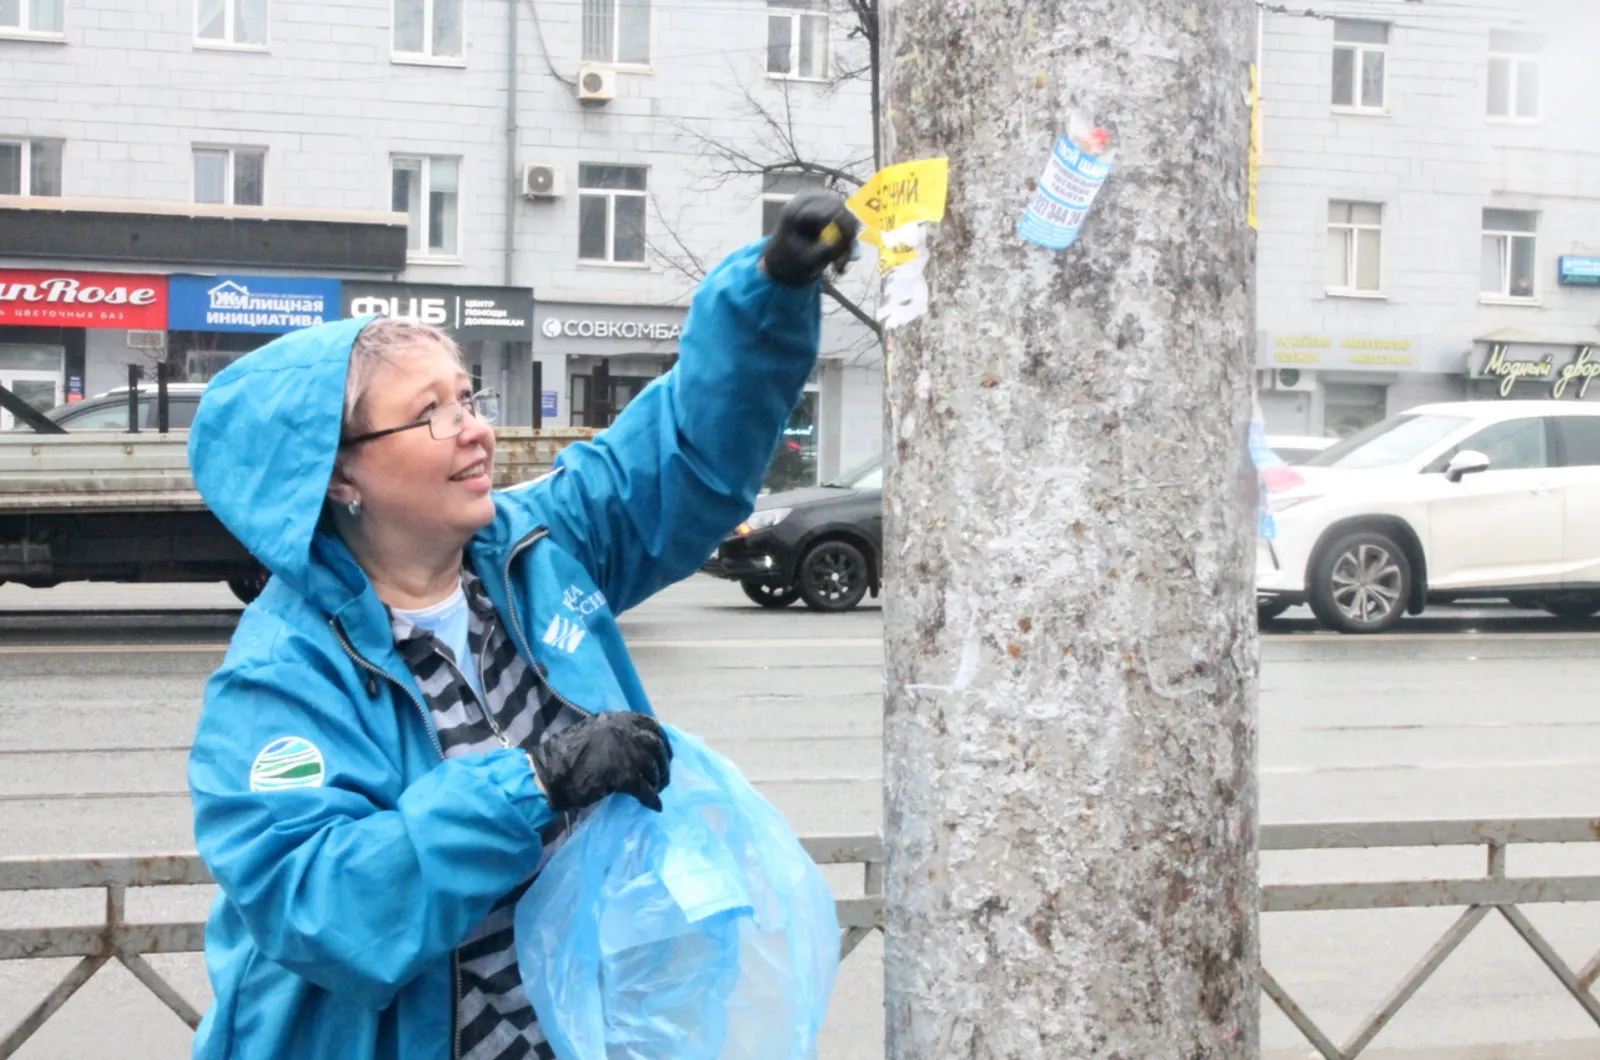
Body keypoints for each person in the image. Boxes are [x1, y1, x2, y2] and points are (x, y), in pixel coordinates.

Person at [185, 194, 859, 1060]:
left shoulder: (536, 544)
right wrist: (536, 786)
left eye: (468, 396)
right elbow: (320, 904)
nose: (476, 432)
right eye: (433, 413)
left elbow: (681, 455)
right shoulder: (283, 676)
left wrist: (769, 292)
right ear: (338, 477)